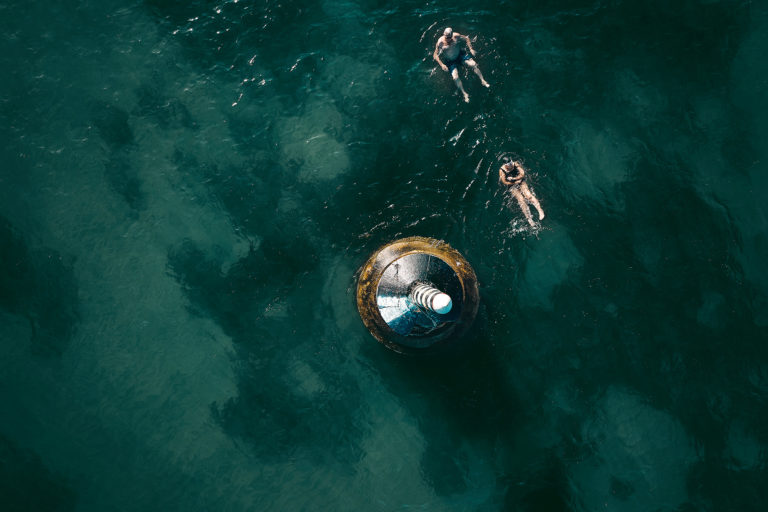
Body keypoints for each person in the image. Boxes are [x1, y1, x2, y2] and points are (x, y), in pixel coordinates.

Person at [433, 27, 490, 103]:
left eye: (449, 37)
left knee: (473, 64)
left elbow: (466, 38)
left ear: (452, 35)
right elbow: (435, 55)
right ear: (444, 35)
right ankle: (464, 93)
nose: (448, 39)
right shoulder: (440, 42)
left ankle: (482, 80)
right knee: (455, 77)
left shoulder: (456, 36)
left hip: (460, 55)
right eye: (446, 37)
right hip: (450, 61)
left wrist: (471, 49)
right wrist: (442, 64)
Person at [499, 160, 545, 227]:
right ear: (506, 165)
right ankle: (529, 219)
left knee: (528, 195)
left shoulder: (515, 164)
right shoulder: (502, 170)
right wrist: (513, 182)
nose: (511, 165)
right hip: (511, 185)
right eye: (509, 165)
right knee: (521, 200)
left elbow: (522, 173)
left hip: (519, 181)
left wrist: (515, 178)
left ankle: (540, 210)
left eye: (511, 163)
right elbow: (504, 181)